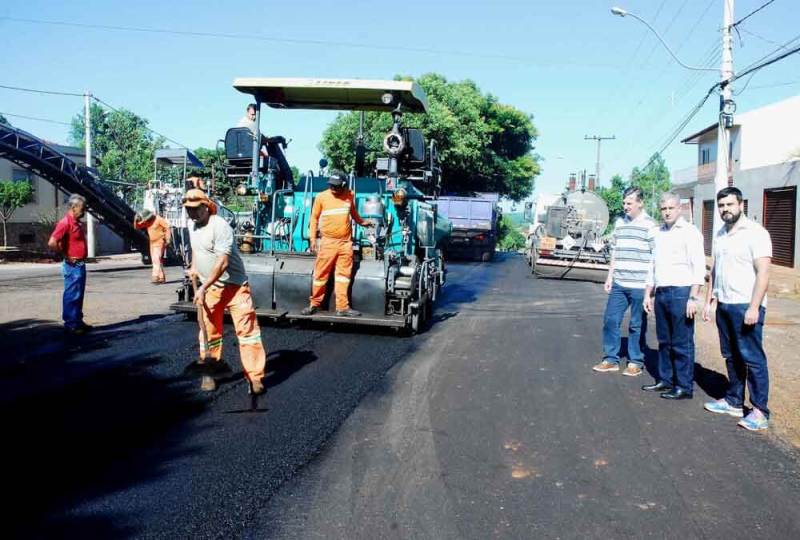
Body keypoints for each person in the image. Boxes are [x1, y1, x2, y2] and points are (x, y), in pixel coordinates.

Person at [183, 188, 267, 394]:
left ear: (206, 206)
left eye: (196, 208)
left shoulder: (219, 226)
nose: (192, 213)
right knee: (209, 332)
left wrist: (203, 287)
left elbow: (222, 262)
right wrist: (194, 266)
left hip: (235, 287)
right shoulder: (192, 226)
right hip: (211, 289)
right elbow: (196, 248)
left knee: (248, 333)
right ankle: (209, 373)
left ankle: (255, 377)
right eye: (188, 209)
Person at [702, 187, 772, 431]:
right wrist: (710, 301)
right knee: (731, 356)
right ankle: (733, 401)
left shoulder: (756, 233)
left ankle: (760, 411)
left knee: (752, 359)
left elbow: (764, 272)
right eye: (721, 205)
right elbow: (715, 270)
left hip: (746, 306)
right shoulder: (720, 234)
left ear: (741, 205)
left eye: (730, 204)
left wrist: (754, 307)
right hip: (724, 304)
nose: (725, 209)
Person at [642, 192, 706, 400]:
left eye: (671, 208)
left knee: (681, 341)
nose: (667, 212)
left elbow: (699, 266)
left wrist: (693, 298)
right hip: (662, 292)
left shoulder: (690, 232)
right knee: (664, 340)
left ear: (679, 208)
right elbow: (653, 265)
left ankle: (684, 386)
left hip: (681, 292)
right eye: (664, 209)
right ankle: (665, 380)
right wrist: (647, 294)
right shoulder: (658, 233)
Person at [593, 187, 657, 377]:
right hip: (619, 283)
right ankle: (610, 359)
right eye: (624, 203)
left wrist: (650, 288)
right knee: (610, 320)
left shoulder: (650, 225)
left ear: (640, 203)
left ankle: (635, 361)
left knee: (636, 325)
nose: (625, 206)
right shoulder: (620, 223)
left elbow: (656, 256)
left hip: (640, 285)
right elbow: (614, 249)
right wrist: (610, 276)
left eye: (629, 203)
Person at [301, 170, 371, 317]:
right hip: (328, 243)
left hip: (345, 244)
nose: (332, 187)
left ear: (344, 185)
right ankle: (315, 304)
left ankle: (342, 307)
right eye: (331, 185)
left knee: (343, 276)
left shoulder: (349, 195)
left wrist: (363, 222)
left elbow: (353, 213)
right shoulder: (322, 197)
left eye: (336, 185)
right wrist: (312, 238)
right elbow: (313, 218)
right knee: (321, 275)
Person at [48, 194, 92, 335]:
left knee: (78, 294)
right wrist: (66, 256)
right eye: (82, 208)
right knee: (72, 294)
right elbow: (52, 242)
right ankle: (71, 324)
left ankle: (77, 321)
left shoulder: (75, 222)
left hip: (79, 264)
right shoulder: (65, 223)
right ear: (74, 207)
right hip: (72, 266)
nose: (84, 211)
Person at [134, 208, 171, 283]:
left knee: (156, 259)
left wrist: (168, 239)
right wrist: (136, 220)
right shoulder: (146, 221)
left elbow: (167, 228)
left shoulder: (159, 219)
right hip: (152, 243)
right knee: (157, 260)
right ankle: (161, 277)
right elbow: (137, 227)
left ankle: (156, 276)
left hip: (160, 241)